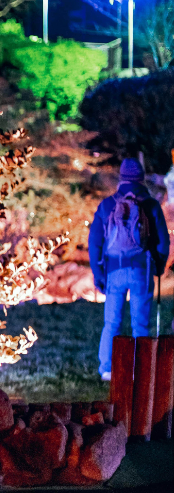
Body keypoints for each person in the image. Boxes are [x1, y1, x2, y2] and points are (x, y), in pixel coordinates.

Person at [89, 158, 170, 382]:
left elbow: (95, 241)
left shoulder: (107, 205)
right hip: (141, 270)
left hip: (114, 269)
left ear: (121, 178)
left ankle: (107, 368)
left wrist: (98, 273)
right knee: (140, 323)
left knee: (112, 322)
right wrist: (159, 265)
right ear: (141, 178)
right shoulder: (151, 205)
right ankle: (139, 369)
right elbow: (163, 241)